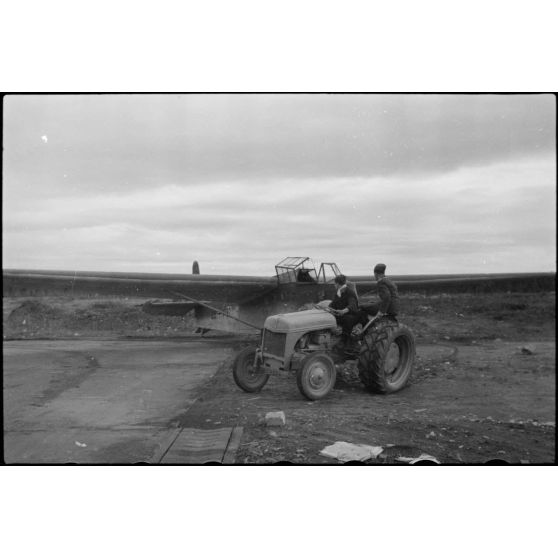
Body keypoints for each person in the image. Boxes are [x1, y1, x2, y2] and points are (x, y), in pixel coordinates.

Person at [328, 274, 360, 344]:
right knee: (329, 318)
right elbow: (334, 303)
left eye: (334, 284)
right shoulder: (338, 292)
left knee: (348, 319)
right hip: (341, 315)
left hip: (352, 315)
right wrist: (328, 308)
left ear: (338, 284)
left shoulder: (349, 292)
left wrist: (343, 311)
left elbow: (352, 305)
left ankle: (345, 341)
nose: (334, 285)